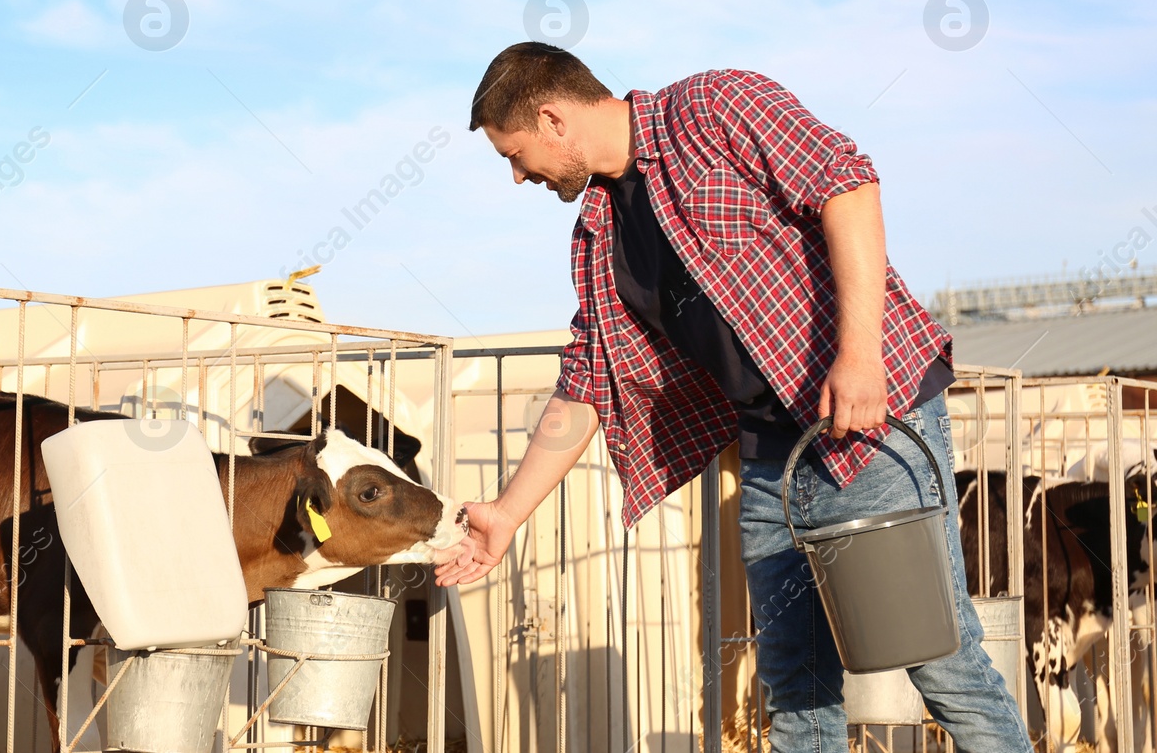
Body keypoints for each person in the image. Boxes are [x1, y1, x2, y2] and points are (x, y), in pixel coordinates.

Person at [434, 43, 1028, 753]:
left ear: (552, 116)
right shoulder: (598, 234)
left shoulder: (714, 108)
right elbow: (587, 382)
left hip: (870, 418)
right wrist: (506, 511)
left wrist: (860, 355)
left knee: (937, 653)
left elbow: (847, 184)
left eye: (515, 153)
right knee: (795, 682)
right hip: (773, 449)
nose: (516, 174)